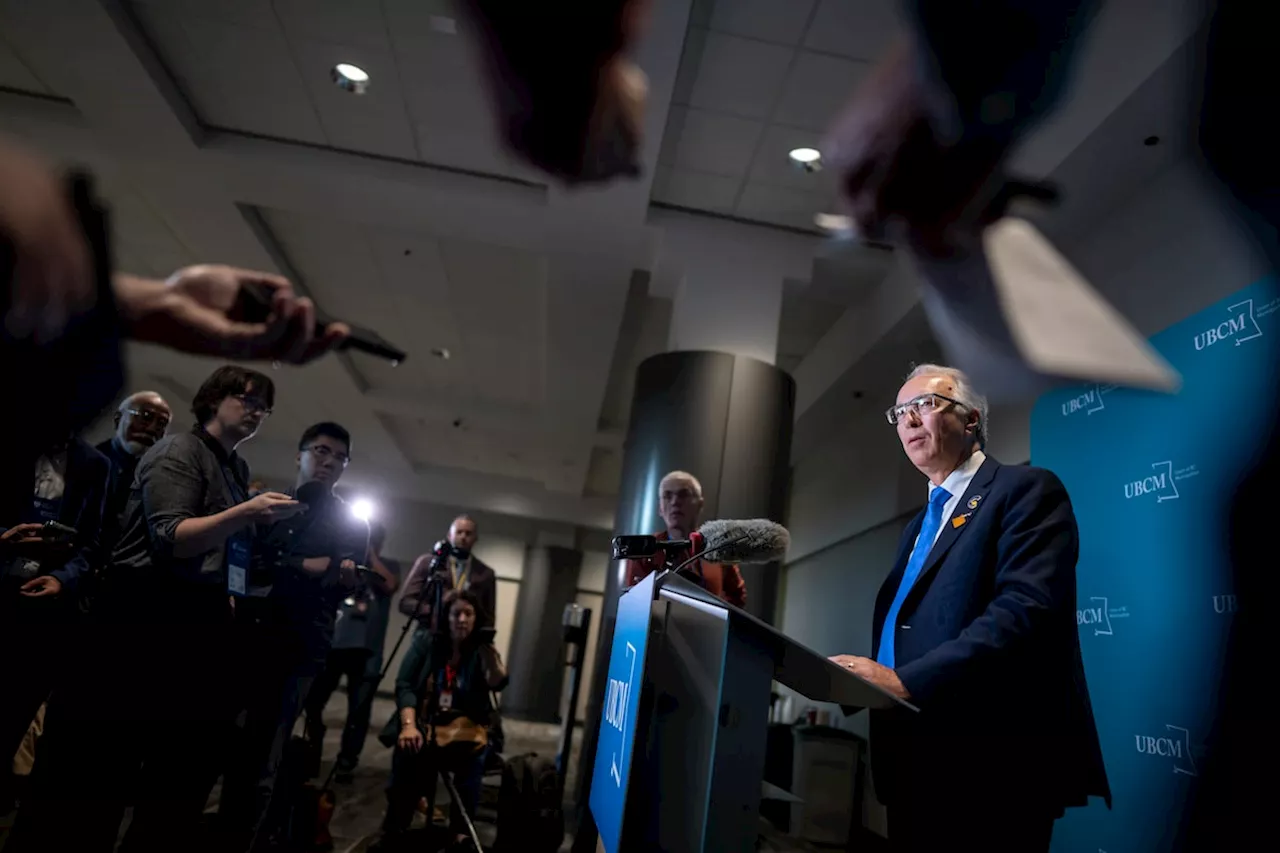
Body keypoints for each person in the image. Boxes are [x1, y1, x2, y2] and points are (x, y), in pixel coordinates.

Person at [7, 365, 305, 853]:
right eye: (247, 399)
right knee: (91, 774)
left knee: (161, 774)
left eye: (263, 407)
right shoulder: (178, 451)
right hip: (138, 620)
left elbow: (219, 548)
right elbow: (172, 539)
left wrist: (233, 578)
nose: (256, 412)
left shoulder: (235, 467)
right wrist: (248, 511)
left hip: (187, 624)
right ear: (214, 398)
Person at [827, 363, 1107, 852]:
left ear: (971, 420)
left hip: (991, 762)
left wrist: (904, 681)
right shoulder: (918, 526)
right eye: (899, 412)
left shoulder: (1024, 490)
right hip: (912, 754)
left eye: (925, 405)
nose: (909, 421)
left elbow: (1025, 611)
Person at [218, 422, 368, 850]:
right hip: (244, 637)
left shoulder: (352, 523)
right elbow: (245, 561)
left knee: (265, 754)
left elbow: (340, 578)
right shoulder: (267, 506)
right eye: (321, 451)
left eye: (339, 457)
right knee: (221, 744)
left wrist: (292, 565)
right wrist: (303, 564)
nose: (329, 461)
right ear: (299, 455)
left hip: (299, 647)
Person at [0, 433, 108, 806]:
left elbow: (93, 541)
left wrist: (63, 579)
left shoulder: (94, 464)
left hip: (43, 607)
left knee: (17, 710)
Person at [373, 589, 508, 852]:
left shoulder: (480, 650)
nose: (462, 619)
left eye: (468, 614)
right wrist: (409, 726)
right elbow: (405, 685)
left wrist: (492, 657)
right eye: (456, 613)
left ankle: (460, 833)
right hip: (426, 723)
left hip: (466, 730)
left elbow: (498, 683)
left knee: (474, 758)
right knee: (408, 751)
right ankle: (395, 826)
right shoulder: (427, 642)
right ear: (445, 617)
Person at [306, 521, 401, 784]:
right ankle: (310, 751)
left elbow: (391, 585)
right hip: (335, 646)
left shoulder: (388, 566)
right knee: (313, 702)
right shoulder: (346, 563)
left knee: (358, 712)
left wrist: (371, 555)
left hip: (368, 651)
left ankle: (347, 763)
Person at [623, 470, 746, 608]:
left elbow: (737, 598)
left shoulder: (718, 548)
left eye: (683, 495)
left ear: (700, 505)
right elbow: (634, 601)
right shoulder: (644, 549)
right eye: (667, 496)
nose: (675, 502)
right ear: (660, 508)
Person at [95, 391, 171, 553]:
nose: (151, 429)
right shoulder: (88, 463)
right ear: (118, 419)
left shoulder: (162, 477)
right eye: (145, 416)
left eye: (161, 424)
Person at [401, 515, 497, 629]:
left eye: (468, 533)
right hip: (428, 635)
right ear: (449, 535)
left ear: (475, 538)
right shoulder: (428, 562)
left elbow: (488, 618)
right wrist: (437, 609)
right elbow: (405, 603)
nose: (463, 537)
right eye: (459, 532)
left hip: (465, 640)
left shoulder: (486, 573)